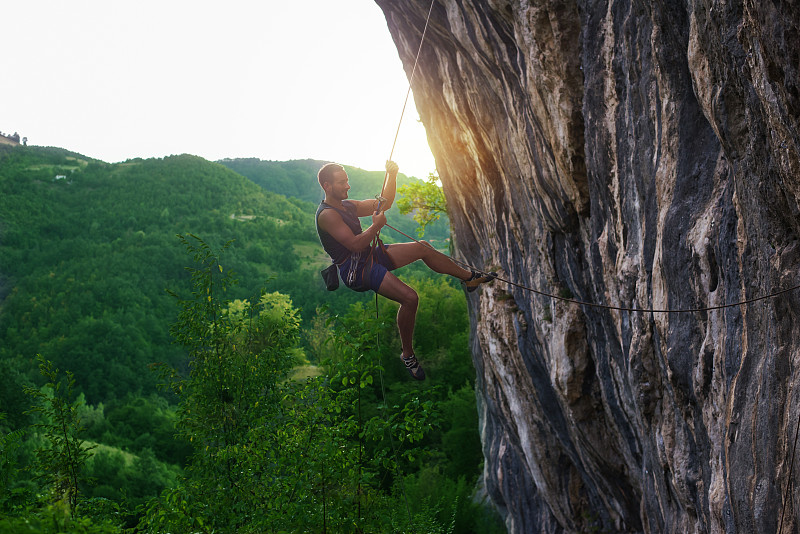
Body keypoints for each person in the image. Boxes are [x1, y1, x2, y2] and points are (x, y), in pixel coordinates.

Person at [315, 160, 496, 380]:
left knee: (423, 248)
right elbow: (354, 245)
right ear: (327, 186)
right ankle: (407, 354)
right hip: (357, 271)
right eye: (342, 182)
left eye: (347, 181)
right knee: (410, 298)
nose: (348, 186)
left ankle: (470, 278)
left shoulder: (348, 206)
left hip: (369, 255)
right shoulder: (327, 215)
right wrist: (375, 226)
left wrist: (392, 174)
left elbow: (385, 203)